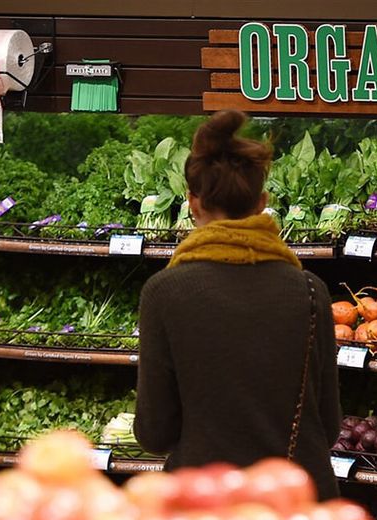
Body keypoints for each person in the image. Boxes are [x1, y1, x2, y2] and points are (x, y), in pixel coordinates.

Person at [133, 110, 341, 499]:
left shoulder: (164, 291)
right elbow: (328, 427)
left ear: (193, 203)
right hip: (298, 506)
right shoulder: (310, 291)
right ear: (262, 203)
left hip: (207, 508)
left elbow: (155, 433)